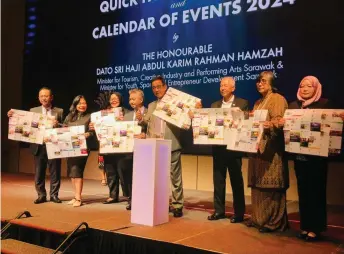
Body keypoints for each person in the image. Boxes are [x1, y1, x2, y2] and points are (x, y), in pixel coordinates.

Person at [280, 76, 344, 241]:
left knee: (317, 192)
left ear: (316, 88)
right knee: (303, 191)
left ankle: (316, 228)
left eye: (309, 86)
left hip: (317, 158)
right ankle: (305, 226)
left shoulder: (325, 104)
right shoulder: (293, 106)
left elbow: (333, 127)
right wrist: (283, 123)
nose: (305, 89)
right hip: (300, 156)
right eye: (302, 86)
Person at [247, 71, 289, 233]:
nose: (259, 84)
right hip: (258, 150)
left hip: (272, 151)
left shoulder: (277, 99)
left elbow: (280, 122)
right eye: (258, 81)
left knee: (271, 188)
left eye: (263, 81)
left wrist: (269, 125)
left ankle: (273, 222)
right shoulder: (258, 102)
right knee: (258, 187)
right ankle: (259, 219)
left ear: (272, 83)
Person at [8, 87, 64, 204]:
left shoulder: (59, 111)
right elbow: (25, 123)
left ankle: (54, 195)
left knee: (55, 172)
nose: (44, 98)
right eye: (41, 96)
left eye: (46, 96)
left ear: (51, 97)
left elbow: (64, 128)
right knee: (39, 173)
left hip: (53, 145)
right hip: (39, 145)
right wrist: (12, 115)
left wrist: (57, 124)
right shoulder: (33, 110)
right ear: (39, 98)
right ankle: (41, 195)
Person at [139, 75, 184, 217]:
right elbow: (146, 122)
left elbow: (185, 119)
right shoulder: (151, 105)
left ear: (165, 86)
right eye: (153, 87)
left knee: (175, 178)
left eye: (159, 86)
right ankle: (162, 203)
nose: (156, 90)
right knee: (158, 177)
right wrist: (141, 120)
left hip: (171, 144)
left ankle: (177, 205)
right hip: (155, 146)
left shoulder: (175, 102)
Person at [206, 77, 248, 223]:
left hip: (234, 148)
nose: (222, 88)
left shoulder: (242, 103)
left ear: (233, 88)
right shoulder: (215, 105)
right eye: (221, 85)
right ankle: (219, 211)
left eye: (225, 85)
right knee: (218, 180)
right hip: (218, 148)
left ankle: (239, 213)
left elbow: (246, 124)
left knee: (236, 181)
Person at [89, 92, 129, 204]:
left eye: (116, 98)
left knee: (123, 173)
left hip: (121, 147)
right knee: (110, 172)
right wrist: (93, 126)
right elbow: (97, 127)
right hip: (107, 147)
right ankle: (113, 196)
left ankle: (129, 196)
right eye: (112, 99)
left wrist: (124, 121)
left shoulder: (127, 112)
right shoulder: (103, 114)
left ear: (120, 99)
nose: (114, 100)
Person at [117, 88, 147, 210]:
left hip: (144, 150)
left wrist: (145, 135)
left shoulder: (149, 112)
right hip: (129, 149)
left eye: (134, 99)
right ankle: (130, 198)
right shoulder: (127, 115)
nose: (131, 101)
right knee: (125, 171)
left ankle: (142, 198)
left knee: (141, 175)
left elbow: (152, 128)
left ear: (141, 99)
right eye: (130, 99)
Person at [63, 95, 93, 207]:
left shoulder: (90, 117)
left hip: (82, 147)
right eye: (80, 103)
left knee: (77, 170)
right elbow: (63, 129)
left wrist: (88, 134)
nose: (82, 105)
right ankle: (75, 196)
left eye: (84, 103)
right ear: (75, 105)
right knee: (72, 171)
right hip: (69, 147)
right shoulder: (69, 117)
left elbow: (93, 132)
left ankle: (78, 198)